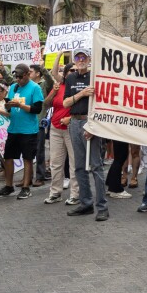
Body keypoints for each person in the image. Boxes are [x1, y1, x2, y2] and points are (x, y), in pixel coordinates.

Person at [64, 48, 108, 221]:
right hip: (74, 122)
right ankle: (86, 203)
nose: (80, 60)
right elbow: (66, 102)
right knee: (79, 167)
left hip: (91, 123)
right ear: (74, 60)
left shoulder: (95, 76)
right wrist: (82, 93)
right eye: (78, 57)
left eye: (84, 57)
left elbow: (102, 104)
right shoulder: (70, 78)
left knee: (96, 166)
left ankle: (102, 206)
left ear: (89, 59)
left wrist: (93, 126)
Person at [0, 65, 44, 200]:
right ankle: (8, 186)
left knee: (27, 158)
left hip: (28, 130)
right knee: (8, 157)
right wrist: (8, 106)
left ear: (28, 74)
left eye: (21, 77)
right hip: (14, 128)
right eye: (17, 77)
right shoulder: (14, 87)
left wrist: (20, 105)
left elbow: (37, 109)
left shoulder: (35, 88)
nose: (18, 79)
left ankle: (26, 187)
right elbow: (8, 106)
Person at [44, 60, 79, 205]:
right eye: (69, 71)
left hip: (72, 129)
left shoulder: (79, 88)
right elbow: (46, 103)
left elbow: (85, 108)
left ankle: (75, 194)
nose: (72, 74)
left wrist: (70, 119)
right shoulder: (59, 86)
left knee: (74, 163)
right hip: (56, 128)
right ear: (64, 75)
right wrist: (54, 92)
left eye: (74, 71)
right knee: (56, 163)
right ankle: (55, 193)